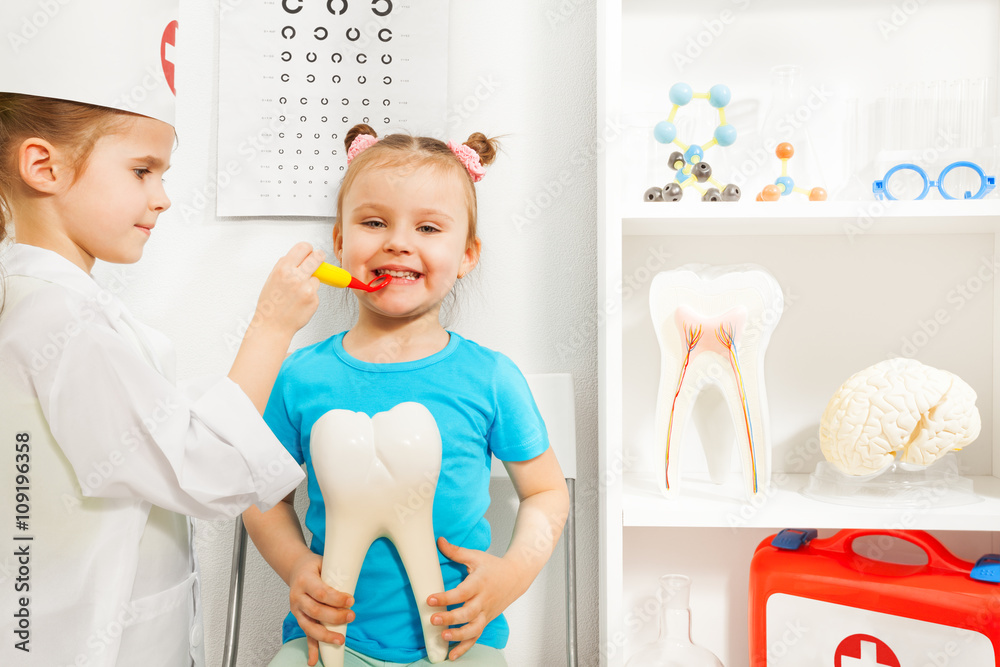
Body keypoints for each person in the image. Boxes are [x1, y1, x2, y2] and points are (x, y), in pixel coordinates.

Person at [0, 92, 325, 666]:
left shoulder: (40, 302)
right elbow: (203, 468)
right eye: (141, 171)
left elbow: (152, 440)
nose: (164, 198)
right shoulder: (64, 322)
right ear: (43, 167)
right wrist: (271, 326)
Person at [243, 124, 571, 667]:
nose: (398, 241)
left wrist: (511, 576)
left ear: (467, 255)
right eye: (375, 222)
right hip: (329, 647)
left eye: (427, 227)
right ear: (341, 244)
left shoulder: (490, 378)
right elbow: (264, 499)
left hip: (463, 646)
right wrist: (297, 567)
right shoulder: (300, 377)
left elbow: (546, 495)